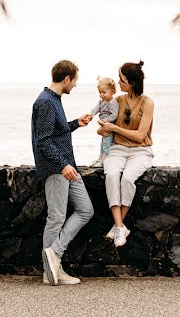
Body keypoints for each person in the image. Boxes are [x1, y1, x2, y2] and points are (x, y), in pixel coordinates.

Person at [31, 60, 94, 286]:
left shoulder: (53, 100)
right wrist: (62, 165)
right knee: (56, 217)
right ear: (66, 79)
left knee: (86, 209)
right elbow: (43, 141)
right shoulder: (46, 102)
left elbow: (56, 132)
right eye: (74, 80)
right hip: (58, 168)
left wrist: (76, 123)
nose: (75, 85)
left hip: (67, 166)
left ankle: (54, 255)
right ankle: (50, 272)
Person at [98, 60, 154, 248]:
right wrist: (103, 128)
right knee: (112, 175)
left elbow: (139, 136)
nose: (118, 83)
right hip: (117, 149)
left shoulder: (148, 103)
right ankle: (121, 226)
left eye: (122, 80)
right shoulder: (117, 101)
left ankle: (117, 226)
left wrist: (114, 127)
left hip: (141, 152)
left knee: (128, 179)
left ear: (132, 82)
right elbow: (106, 128)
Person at [88, 76, 119, 168]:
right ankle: (100, 158)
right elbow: (96, 109)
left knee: (107, 143)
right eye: (100, 92)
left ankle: (105, 160)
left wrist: (105, 120)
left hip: (109, 125)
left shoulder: (113, 102)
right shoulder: (102, 101)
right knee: (103, 143)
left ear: (112, 91)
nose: (101, 94)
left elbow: (114, 115)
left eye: (104, 92)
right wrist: (91, 115)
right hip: (104, 125)